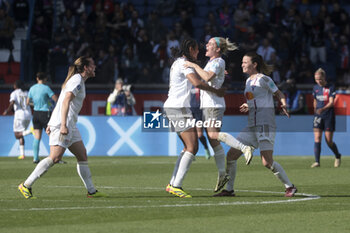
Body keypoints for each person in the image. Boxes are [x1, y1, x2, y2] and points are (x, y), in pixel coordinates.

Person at [18, 56, 107, 199]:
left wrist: (52, 122)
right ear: (86, 67)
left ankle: (91, 191)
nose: (95, 67)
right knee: (55, 157)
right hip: (63, 124)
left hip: (69, 124)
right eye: (93, 64)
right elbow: (65, 101)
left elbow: (59, 102)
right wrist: (63, 125)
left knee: (82, 155)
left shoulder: (78, 81)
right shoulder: (77, 80)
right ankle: (26, 185)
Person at [214, 52, 297, 197]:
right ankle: (229, 189)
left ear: (254, 64)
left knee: (266, 162)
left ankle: (290, 186)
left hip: (265, 124)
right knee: (231, 155)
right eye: (242, 62)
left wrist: (283, 104)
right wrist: (248, 104)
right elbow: (256, 99)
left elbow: (279, 93)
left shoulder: (264, 79)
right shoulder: (248, 81)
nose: (242, 64)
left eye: (245, 62)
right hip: (252, 125)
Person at [184, 37, 253, 193]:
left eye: (210, 44)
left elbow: (207, 77)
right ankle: (223, 175)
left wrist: (193, 65)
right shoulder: (213, 63)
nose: (206, 45)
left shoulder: (217, 61)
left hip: (213, 105)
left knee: (214, 135)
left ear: (218, 49)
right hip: (209, 105)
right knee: (213, 140)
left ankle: (244, 147)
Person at [164, 38, 226, 198]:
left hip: (178, 107)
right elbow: (196, 83)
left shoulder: (178, 62)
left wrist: (218, 72)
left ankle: (173, 183)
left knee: (188, 147)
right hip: (177, 108)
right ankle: (176, 185)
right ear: (191, 49)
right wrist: (216, 91)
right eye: (197, 50)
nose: (199, 52)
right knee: (193, 147)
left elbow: (202, 77)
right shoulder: (184, 63)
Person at [311, 68, 341, 168]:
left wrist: (322, 109)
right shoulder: (315, 88)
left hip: (328, 115)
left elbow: (331, 102)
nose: (318, 81)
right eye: (316, 79)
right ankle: (317, 162)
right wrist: (315, 109)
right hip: (318, 115)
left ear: (324, 77)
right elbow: (315, 100)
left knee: (328, 140)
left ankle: (337, 155)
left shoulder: (331, 87)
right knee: (317, 137)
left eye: (320, 79)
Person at [27, 72, 58, 163]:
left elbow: (27, 102)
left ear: (37, 78)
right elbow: (55, 98)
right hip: (45, 113)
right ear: (45, 79)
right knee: (52, 135)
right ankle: (55, 157)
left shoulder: (32, 88)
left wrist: (36, 104)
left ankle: (35, 158)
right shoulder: (46, 88)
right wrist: (55, 107)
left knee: (37, 137)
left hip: (36, 114)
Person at [3, 80, 33, 159]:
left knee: (17, 135)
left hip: (19, 115)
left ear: (16, 86)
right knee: (21, 135)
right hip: (28, 115)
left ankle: (30, 131)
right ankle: (22, 154)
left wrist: (7, 110)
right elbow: (31, 103)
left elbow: (12, 102)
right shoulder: (27, 92)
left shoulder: (14, 93)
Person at [190, 87, 211, 159]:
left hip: (200, 110)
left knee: (199, 134)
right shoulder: (188, 83)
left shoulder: (202, 83)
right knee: (190, 134)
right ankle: (191, 152)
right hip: (190, 110)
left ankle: (206, 148)